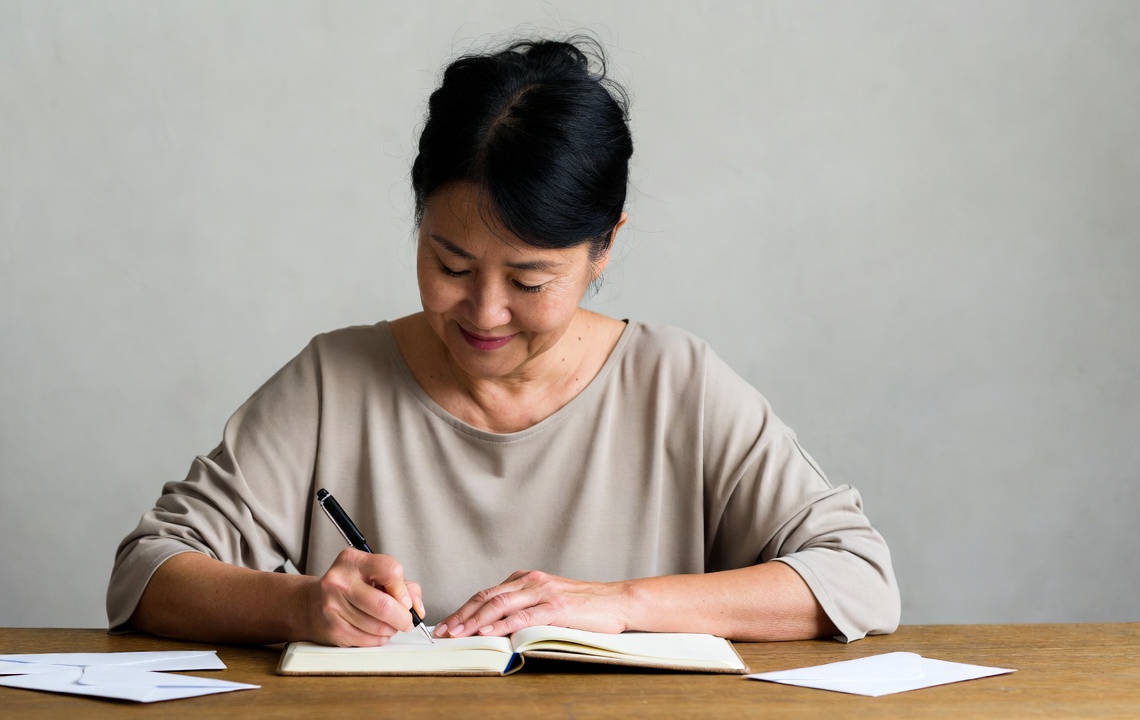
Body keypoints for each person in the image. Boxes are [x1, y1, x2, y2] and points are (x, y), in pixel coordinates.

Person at [107, 37, 899, 648]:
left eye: (529, 280)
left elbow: (858, 576)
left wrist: (620, 603)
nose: (485, 313)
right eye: (451, 266)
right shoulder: (333, 383)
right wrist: (302, 605)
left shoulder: (677, 386)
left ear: (604, 247)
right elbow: (146, 571)